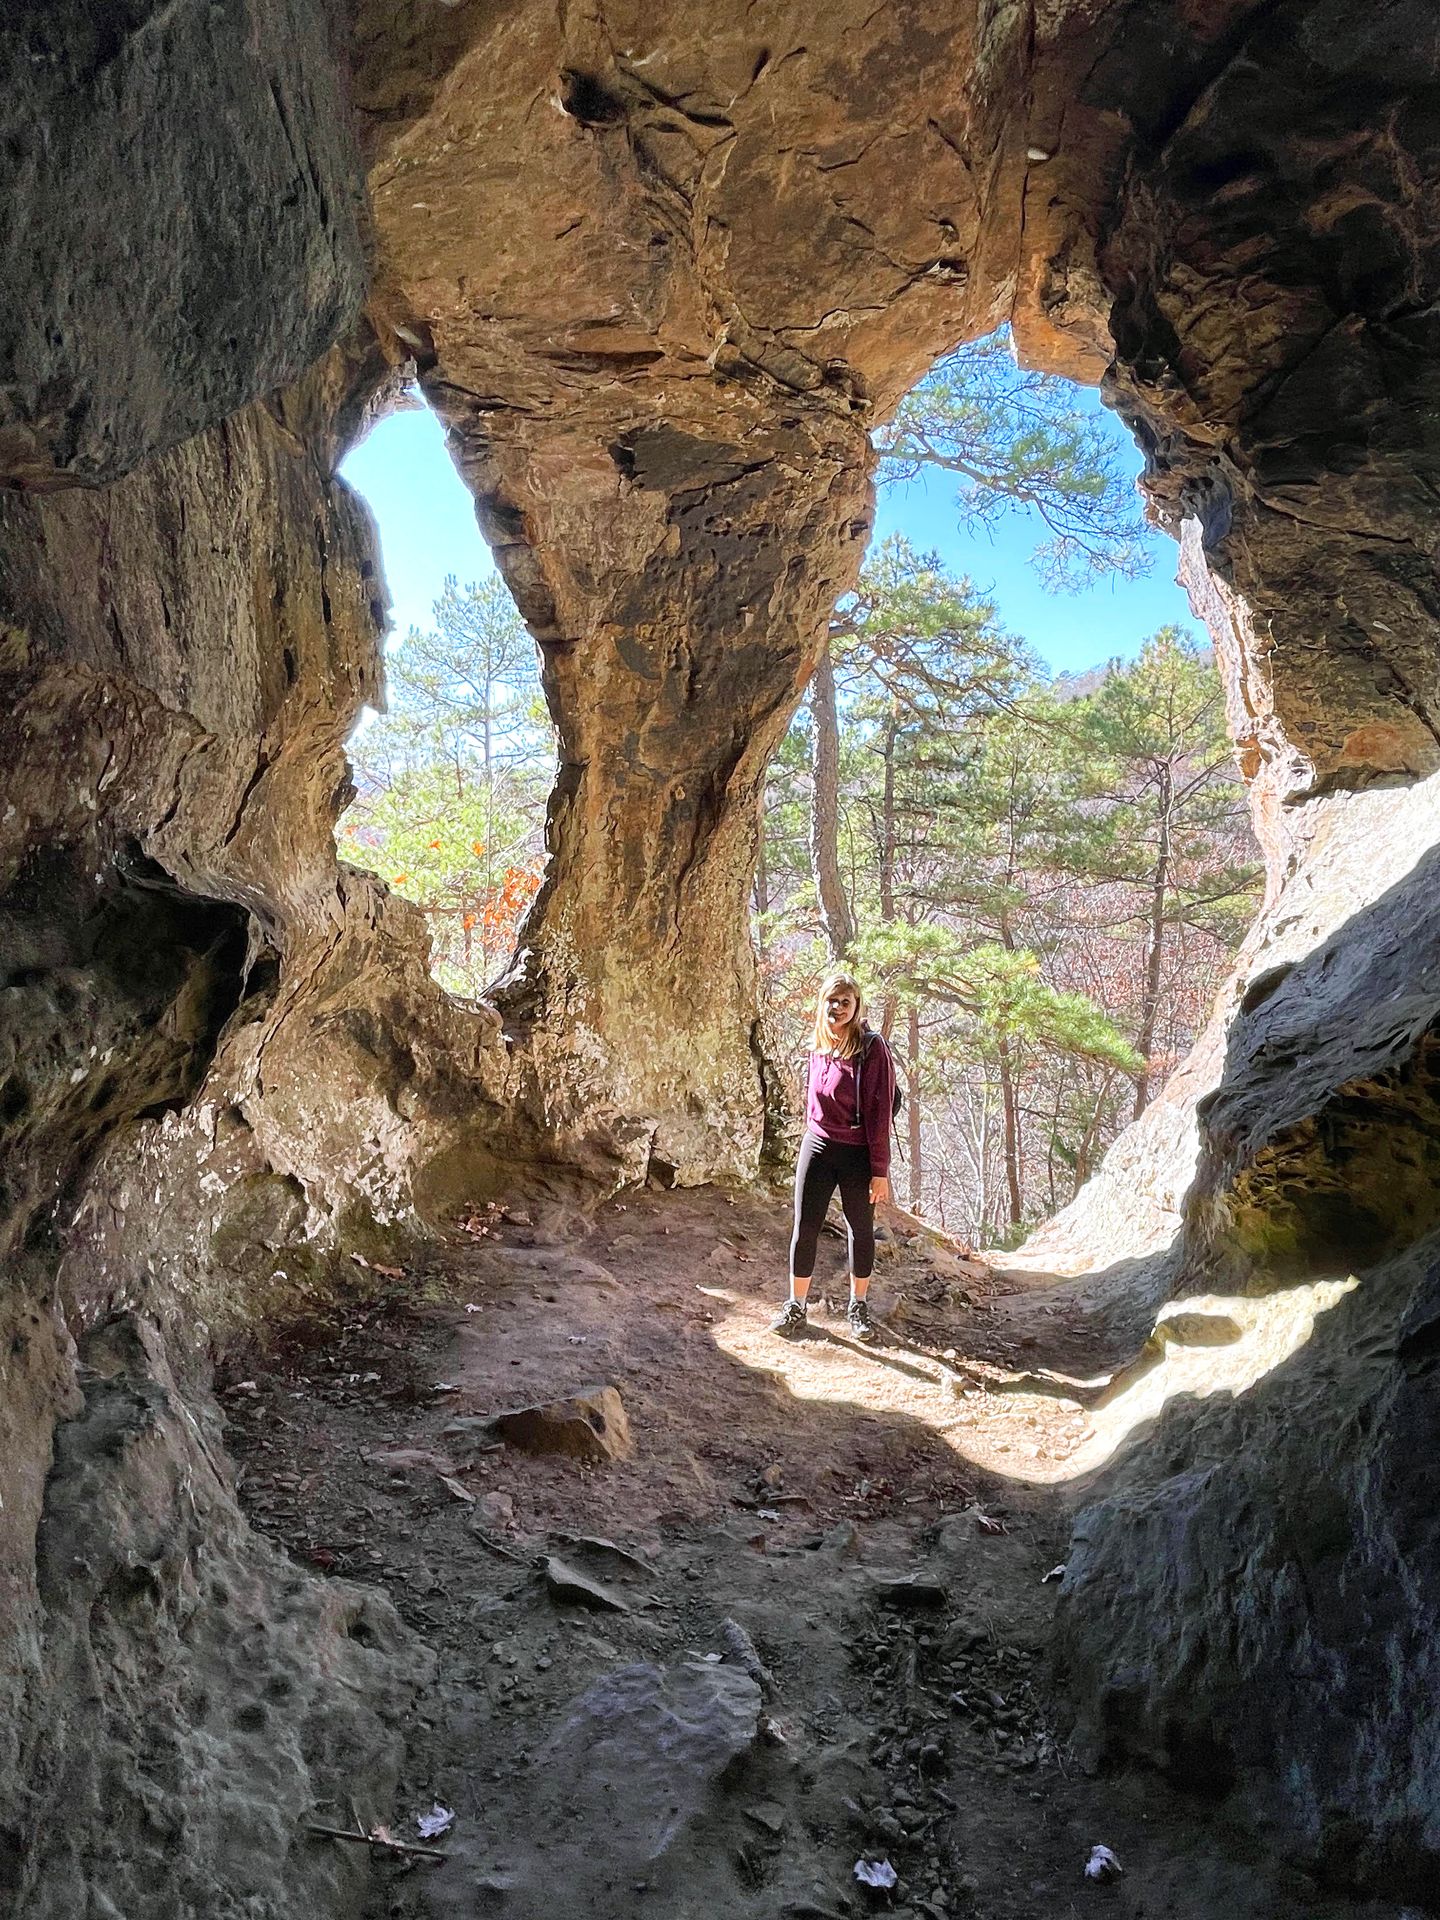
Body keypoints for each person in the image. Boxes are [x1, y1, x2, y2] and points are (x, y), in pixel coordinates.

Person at [771, 971, 895, 1345]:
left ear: (856, 1008)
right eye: (832, 1001)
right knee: (805, 1226)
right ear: (821, 1003)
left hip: (857, 1151)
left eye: (846, 1002)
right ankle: (796, 1304)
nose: (837, 1008)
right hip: (819, 1146)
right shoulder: (818, 1046)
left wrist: (879, 1170)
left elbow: (880, 1112)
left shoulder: (872, 1050)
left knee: (860, 1229)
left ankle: (858, 1306)